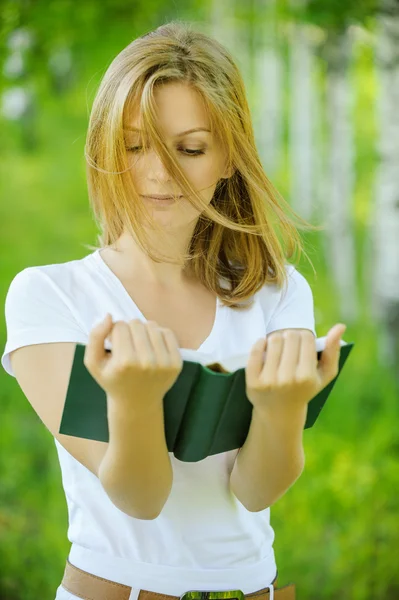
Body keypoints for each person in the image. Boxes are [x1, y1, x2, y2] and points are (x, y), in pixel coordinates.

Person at [1, 20, 346, 600]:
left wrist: (283, 407)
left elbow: (258, 490)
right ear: (105, 150)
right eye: (135, 146)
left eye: (189, 149)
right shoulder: (49, 295)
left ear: (229, 158)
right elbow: (140, 499)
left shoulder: (276, 293)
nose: (159, 173)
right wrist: (134, 402)